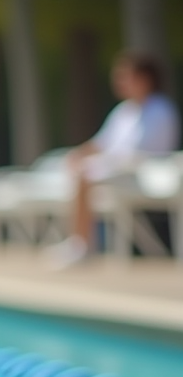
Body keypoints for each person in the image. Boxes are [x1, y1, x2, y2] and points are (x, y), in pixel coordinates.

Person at [49, 51, 180, 267]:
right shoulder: (124, 111)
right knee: (79, 169)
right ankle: (79, 242)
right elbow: (101, 143)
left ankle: (81, 245)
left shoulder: (160, 110)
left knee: (86, 174)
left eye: (125, 76)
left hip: (146, 174)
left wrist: (99, 161)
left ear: (144, 79)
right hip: (119, 170)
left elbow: (146, 153)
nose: (119, 82)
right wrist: (79, 154)